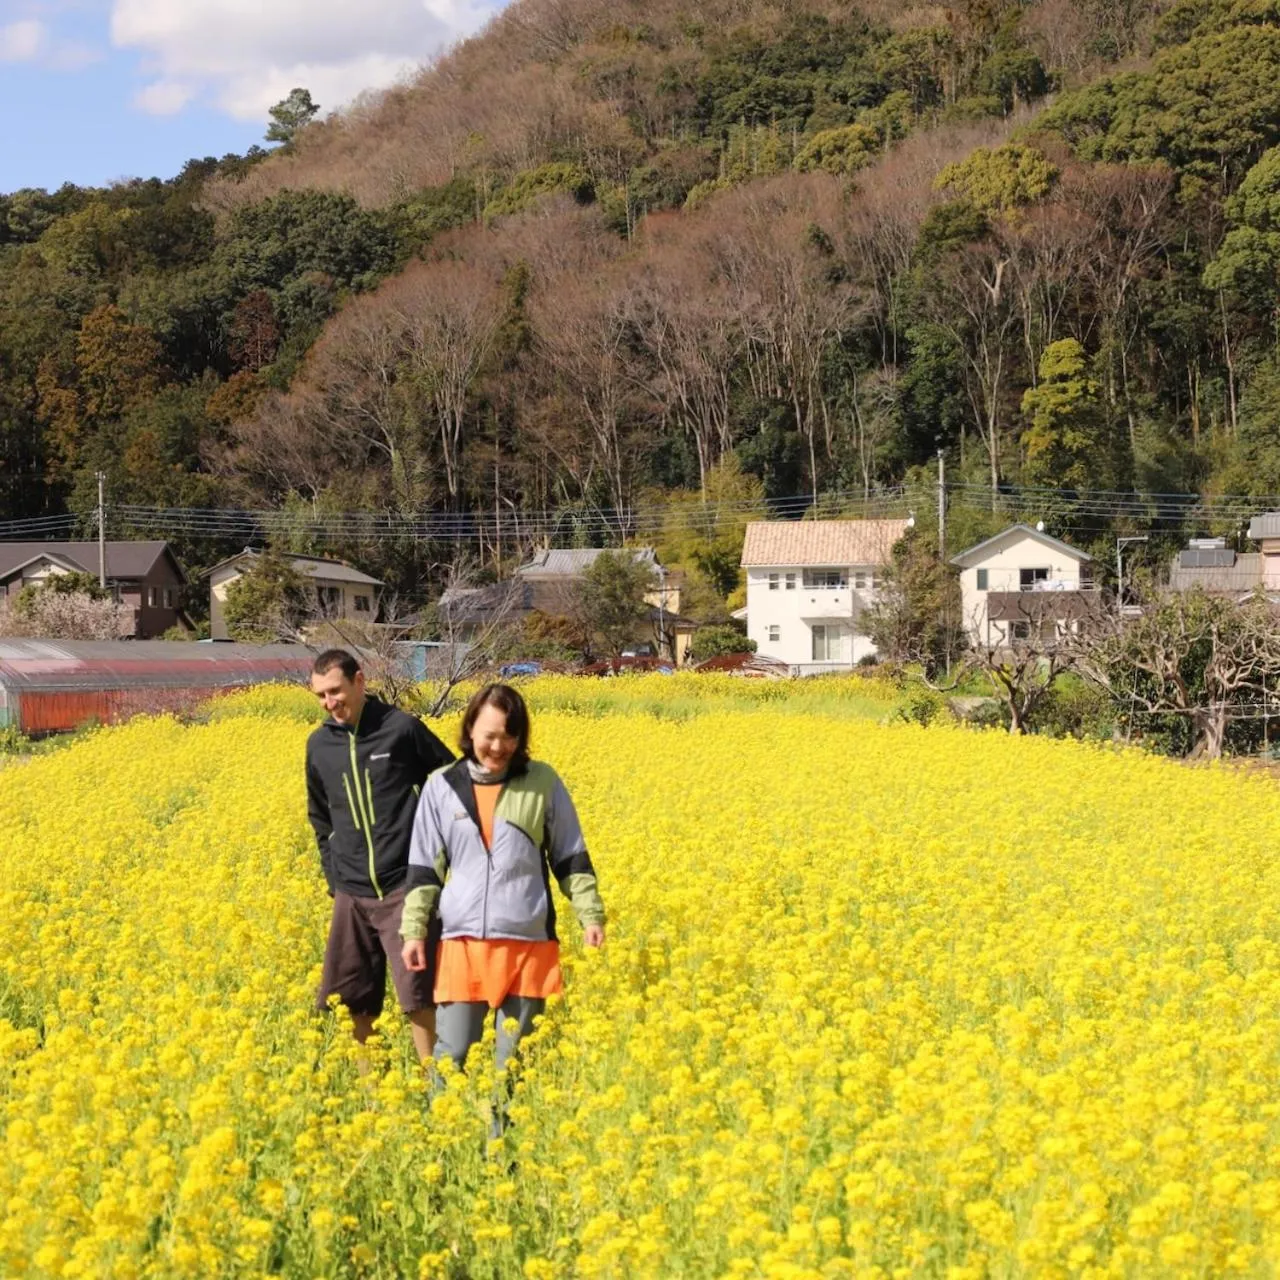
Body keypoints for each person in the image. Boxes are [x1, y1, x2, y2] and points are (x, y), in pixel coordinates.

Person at [400, 683, 605, 1083]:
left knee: (514, 1065)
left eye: (509, 737)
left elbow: (570, 854)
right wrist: (413, 931)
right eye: (489, 736)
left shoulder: (542, 781)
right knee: (452, 1054)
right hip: (463, 942)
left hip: (528, 942)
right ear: (470, 729)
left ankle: (503, 1141)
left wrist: (590, 915)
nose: (498, 746)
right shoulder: (442, 786)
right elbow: (424, 869)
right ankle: (446, 1141)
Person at [305, 648, 454, 1058]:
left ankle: (434, 1086)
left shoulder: (401, 728)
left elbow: (450, 784)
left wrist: (433, 860)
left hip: (403, 885)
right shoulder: (319, 745)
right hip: (351, 892)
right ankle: (375, 1098)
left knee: (418, 996)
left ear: (359, 681)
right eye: (320, 695)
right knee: (353, 999)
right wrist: (333, 877)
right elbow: (320, 817)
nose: (329, 703)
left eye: (335, 691)